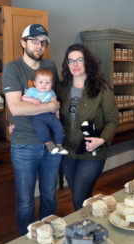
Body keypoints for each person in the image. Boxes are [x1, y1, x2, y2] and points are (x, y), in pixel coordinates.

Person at [2, 24, 62, 235]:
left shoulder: (50, 65)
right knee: (26, 202)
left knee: (49, 196)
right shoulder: (13, 68)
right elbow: (16, 108)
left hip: (51, 145)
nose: (39, 45)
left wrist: (53, 108)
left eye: (43, 41)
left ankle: (46, 238)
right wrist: (49, 107)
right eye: (34, 40)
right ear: (23, 42)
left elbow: (56, 96)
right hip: (24, 146)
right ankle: (26, 242)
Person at [55, 43, 119, 211]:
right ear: (67, 65)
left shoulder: (102, 89)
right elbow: (48, 108)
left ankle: (83, 233)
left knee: (78, 198)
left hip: (92, 153)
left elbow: (113, 120)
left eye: (79, 60)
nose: (75, 65)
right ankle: (91, 228)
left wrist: (102, 139)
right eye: (71, 61)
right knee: (82, 196)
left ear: (87, 62)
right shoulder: (61, 88)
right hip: (68, 151)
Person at [22, 68, 68, 155]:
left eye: (47, 83)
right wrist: (31, 99)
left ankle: (59, 145)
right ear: (35, 83)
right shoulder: (32, 91)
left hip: (51, 116)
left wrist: (57, 113)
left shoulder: (51, 92)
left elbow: (56, 104)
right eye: (41, 82)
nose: (44, 85)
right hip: (38, 117)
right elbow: (23, 98)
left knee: (59, 128)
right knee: (41, 130)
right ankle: (49, 145)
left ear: (51, 84)